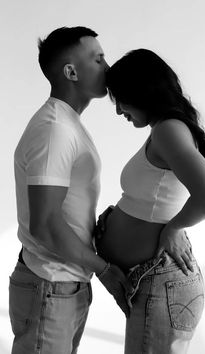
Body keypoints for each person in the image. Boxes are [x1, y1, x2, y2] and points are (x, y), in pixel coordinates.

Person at [9, 26, 132, 354]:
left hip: (63, 283)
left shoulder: (68, 125)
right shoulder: (55, 131)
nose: (107, 67)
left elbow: (61, 213)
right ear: (71, 71)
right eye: (98, 58)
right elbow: (46, 225)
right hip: (50, 283)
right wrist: (103, 269)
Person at [95, 49, 205, 354]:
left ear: (142, 91)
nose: (118, 112)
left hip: (162, 284)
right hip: (153, 284)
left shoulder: (168, 129)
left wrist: (174, 227)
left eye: (120, 100)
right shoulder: (165, 129)